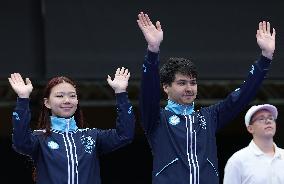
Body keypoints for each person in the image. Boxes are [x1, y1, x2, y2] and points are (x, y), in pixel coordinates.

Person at [137, 11, 276, 184]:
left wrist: (265, 58)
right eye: (182, 83)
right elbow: (147, 94)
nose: (189, 88)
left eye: (193, 83)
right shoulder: (157, 119)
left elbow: (241, 97)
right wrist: (153, 51)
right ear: (166, 87)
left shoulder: (208, 117)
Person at [8, 67, 135, 184]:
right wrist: (23, 98)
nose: (67, 100)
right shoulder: (40, 138)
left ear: (77, 101)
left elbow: (125, 135)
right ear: (47, 103)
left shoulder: (92, 136)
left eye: (72, 96)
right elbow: (20, 142)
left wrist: (121, 93)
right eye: (60, 96)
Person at [223, 104, 284, 184]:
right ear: (250, 128)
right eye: (261, 119)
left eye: (271, 118)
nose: (268, 121)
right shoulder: (237, 160)